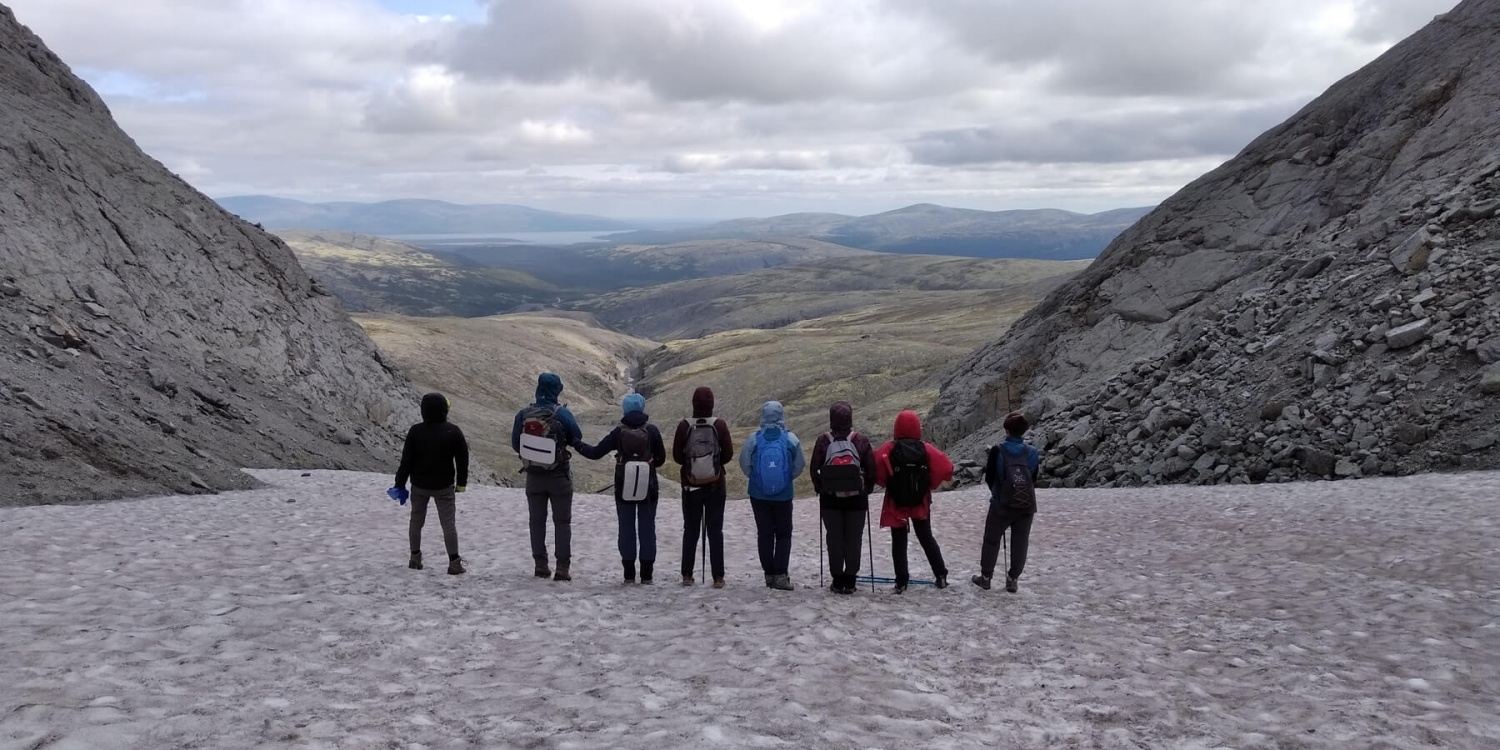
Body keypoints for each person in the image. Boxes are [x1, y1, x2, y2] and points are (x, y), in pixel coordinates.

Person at [573, 392, 668, 584]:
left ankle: (629, 574)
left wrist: (574, 442)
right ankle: (647, 575)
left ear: (624, 409)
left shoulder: (618, 432)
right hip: (648, 487)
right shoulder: (653, 431)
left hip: (624, 486)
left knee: (626, 528)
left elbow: (595, 453)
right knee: (647, 528)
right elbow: (661, 460)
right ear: (642, 408)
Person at [510, 372, 583, 581]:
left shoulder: (524, 414)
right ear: (557, 390)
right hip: (559, 475)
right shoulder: (563, 414)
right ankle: (562, 568)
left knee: (536, 522)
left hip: (533, 476)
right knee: (562, 522)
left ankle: (540, 565)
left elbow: (516, 443)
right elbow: (578, 436)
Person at [873, 410, 954, 592]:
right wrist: (929, 485)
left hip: (896, 501)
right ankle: (940, 575)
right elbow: (947, 468)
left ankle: (901, 581)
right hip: (920, 500)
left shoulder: (889, 448)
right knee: (926, 537)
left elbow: (875, 467)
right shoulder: (925, 448)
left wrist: (888, 483)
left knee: (898, 540)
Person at [392, 392, 470, 575]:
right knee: (448, 524)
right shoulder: (453, 431)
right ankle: (454, 563)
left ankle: (415, 558)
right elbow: (462, 460)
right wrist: (461, 484)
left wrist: (399, 484)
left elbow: (406, 461)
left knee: (416, 521)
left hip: (419, 485)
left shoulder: (415, 431)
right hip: (444, 486)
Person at [808, 400, 876, 595]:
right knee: (854, 539)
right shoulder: (860, 440)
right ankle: (851, 580)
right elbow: (871, 471)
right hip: (857, 501)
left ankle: (837, 580)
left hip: (830, 500)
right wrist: (866, 490)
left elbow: (814, 469)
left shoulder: (823, 441)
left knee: (834, 539)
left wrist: (821, 489)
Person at [671, 386, 735, 588]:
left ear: (693, 404)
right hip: (716, 485)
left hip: (691, 486)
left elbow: (677, 456)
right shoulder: (720, 425)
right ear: (712, 404)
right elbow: (728, 454)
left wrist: (693, 467)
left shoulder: (684, 426)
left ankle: (687, 575)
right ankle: (718, 577)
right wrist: (713, 467)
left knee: (690, 530)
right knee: (715, 530)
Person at [738, 400, 805, 591]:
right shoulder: (790, 439)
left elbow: (744, 462)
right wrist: (786, 479)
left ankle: (768, 574)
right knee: (783, 534)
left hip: (759, 495)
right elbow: (799, 463)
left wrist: (756, 478)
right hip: (783, 495)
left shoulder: (754, 439)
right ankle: (781, 575)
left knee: (765, 533)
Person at [973, 412, 1041, 593]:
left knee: (991, 540)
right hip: (1026, 505)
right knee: (1020, 542)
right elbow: (1032, 478)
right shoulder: (1032, 452)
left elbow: (990, 478)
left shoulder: (998, 450)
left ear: (1006, 429)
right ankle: (1013, 579)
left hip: (1001, 505)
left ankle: (986, 578)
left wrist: (999, 494)